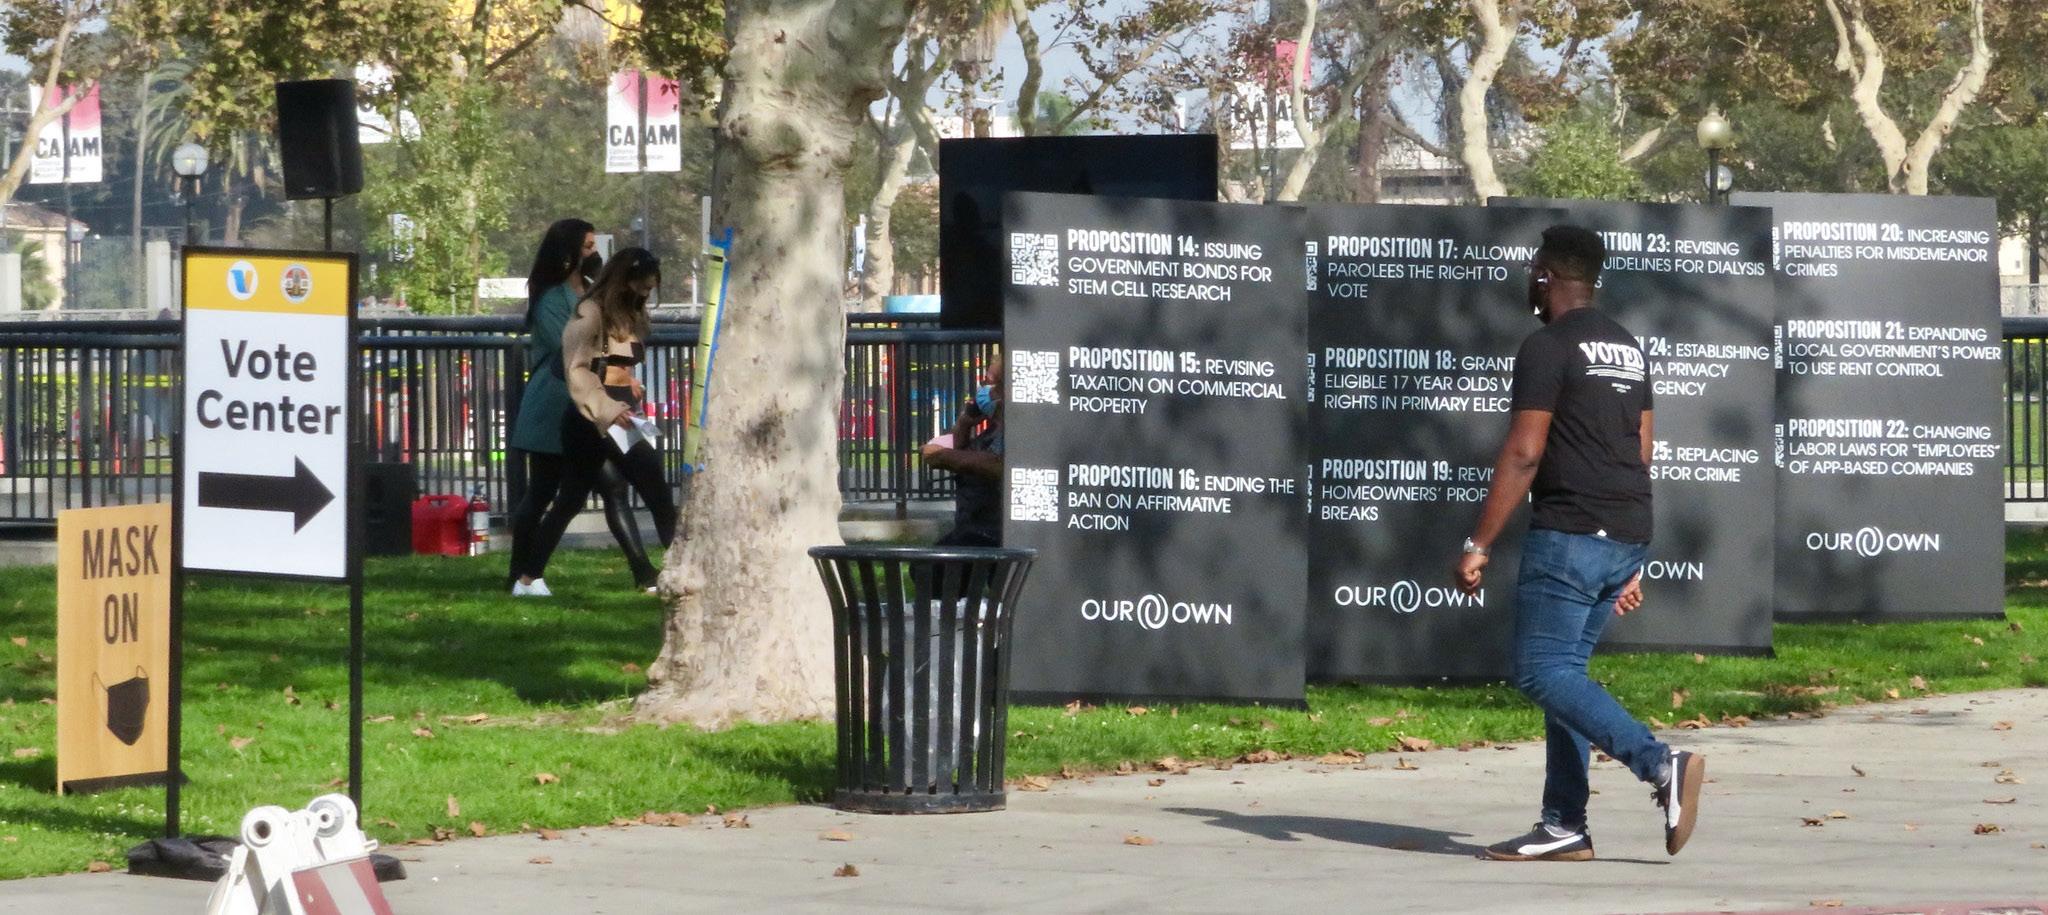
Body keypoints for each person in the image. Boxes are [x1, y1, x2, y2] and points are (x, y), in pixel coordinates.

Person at [1454, 225, 1703, 862]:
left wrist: (1480, 541)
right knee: (1566, 672)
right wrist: (1629, 557)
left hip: (1570, 533)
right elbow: (1640, 451)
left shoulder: (1547, 346)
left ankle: (1660, 764)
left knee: (1541, 670)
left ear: (1545, 276)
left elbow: (1525, 451)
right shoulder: (1628, 348)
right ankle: (1564, 824)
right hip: (1624, 529)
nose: (1529, 279)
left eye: (1533, 270)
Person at [505, 221, 661, 595]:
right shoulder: (552, 301)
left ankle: (642, 573)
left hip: (589, 411)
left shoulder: (592, 293)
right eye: (587, 246)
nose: (595, 252)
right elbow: (574, 354)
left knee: (609, 488)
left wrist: (621, 376)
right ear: (568, 253)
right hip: (554, 407)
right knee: (544, 493)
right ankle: (521, 573)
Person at [563, 247, 678, 588]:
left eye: (650, 289)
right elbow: (578, 369)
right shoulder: (591, 312)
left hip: (619, 408)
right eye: (643, 287)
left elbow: (617, 363)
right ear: (625, 280)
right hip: (599, 413)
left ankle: (651, 572)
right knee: (647, 488)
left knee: (623, 490)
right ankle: (664, 567)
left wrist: (629, 382)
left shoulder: (628, 313)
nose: (646, 295)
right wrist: (610, 410)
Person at [923, 350, 1004, 547]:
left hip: (993, 530)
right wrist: (965, 422)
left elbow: (997, 464)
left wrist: (943, 456)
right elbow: (960, 448)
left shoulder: (1015, 429)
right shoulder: (993, 427)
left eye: (992, 384)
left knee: (932, 562)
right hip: (972, 525)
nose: (984, 389)